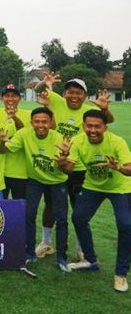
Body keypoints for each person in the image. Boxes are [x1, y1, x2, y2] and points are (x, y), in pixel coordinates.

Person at [35, 73, 114, 260]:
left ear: (85, 96)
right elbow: (38, 89)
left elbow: (108, 120)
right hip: (55, 164)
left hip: (78, 168)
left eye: (79, 93)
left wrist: (105, 109)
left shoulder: (88, 111)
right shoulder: (57, 101)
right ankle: (46, 243)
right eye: (71, 92)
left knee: (78, 209)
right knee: (51, 205)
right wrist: (44, 83)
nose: (74, 96)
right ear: (64, 93)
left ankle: (81, 248)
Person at [60, 110, 131, 292]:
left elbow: (130, 169)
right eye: (89, 126)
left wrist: (119, 167)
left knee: (125, 225)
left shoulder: (117, 142)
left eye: (97, 126)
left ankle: (121, 273)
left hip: (120, 187)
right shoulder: (77, 141)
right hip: (93, 185)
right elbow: (68, 169)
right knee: (79, 218)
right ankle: (90, 260)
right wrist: (62, 160)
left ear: (105, 127)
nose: (92, 130)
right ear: (83, 126)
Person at [0, 107, 72, 271]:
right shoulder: (24, 133)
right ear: (31, 122)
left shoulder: (60, 139)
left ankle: (62, 258)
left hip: (57, 182)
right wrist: (3, 141)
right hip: (35, 181)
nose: (41, 125)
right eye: (37, 121)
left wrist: (63, 161)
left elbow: (67, 170)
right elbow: (5, 149)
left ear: (51, 123)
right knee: (29, 215)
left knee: (61, 219)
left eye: (45, 122)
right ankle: (29, 253)